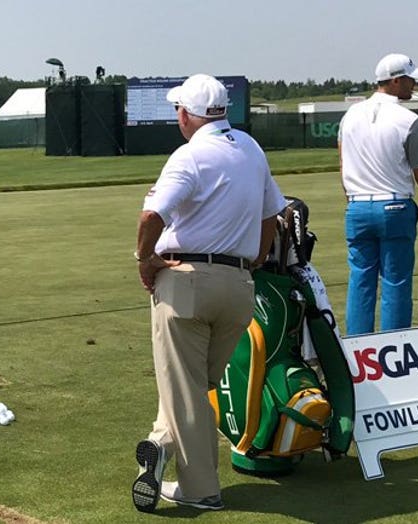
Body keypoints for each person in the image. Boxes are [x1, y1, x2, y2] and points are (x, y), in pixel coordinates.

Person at [131, 74, 286, 512]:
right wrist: (252, 260)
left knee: (187, 391)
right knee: (192, 388)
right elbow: (272, 214)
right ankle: (159, 446)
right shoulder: (251, 150)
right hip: (238, 288)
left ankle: (200, 490)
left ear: (186, 114)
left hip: (186, 284)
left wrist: (145, 260)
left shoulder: (189, 155)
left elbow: (151, 217)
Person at [338, 53, 418, 335]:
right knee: (396, 281)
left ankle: (357, 350)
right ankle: (394, 349)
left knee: (360, 280)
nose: (414, 86)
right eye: (410, 80)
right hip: (395, 207)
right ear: (396, 81)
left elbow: (342, 165)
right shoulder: (408, 119)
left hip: (357, 208)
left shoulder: (349, 116)